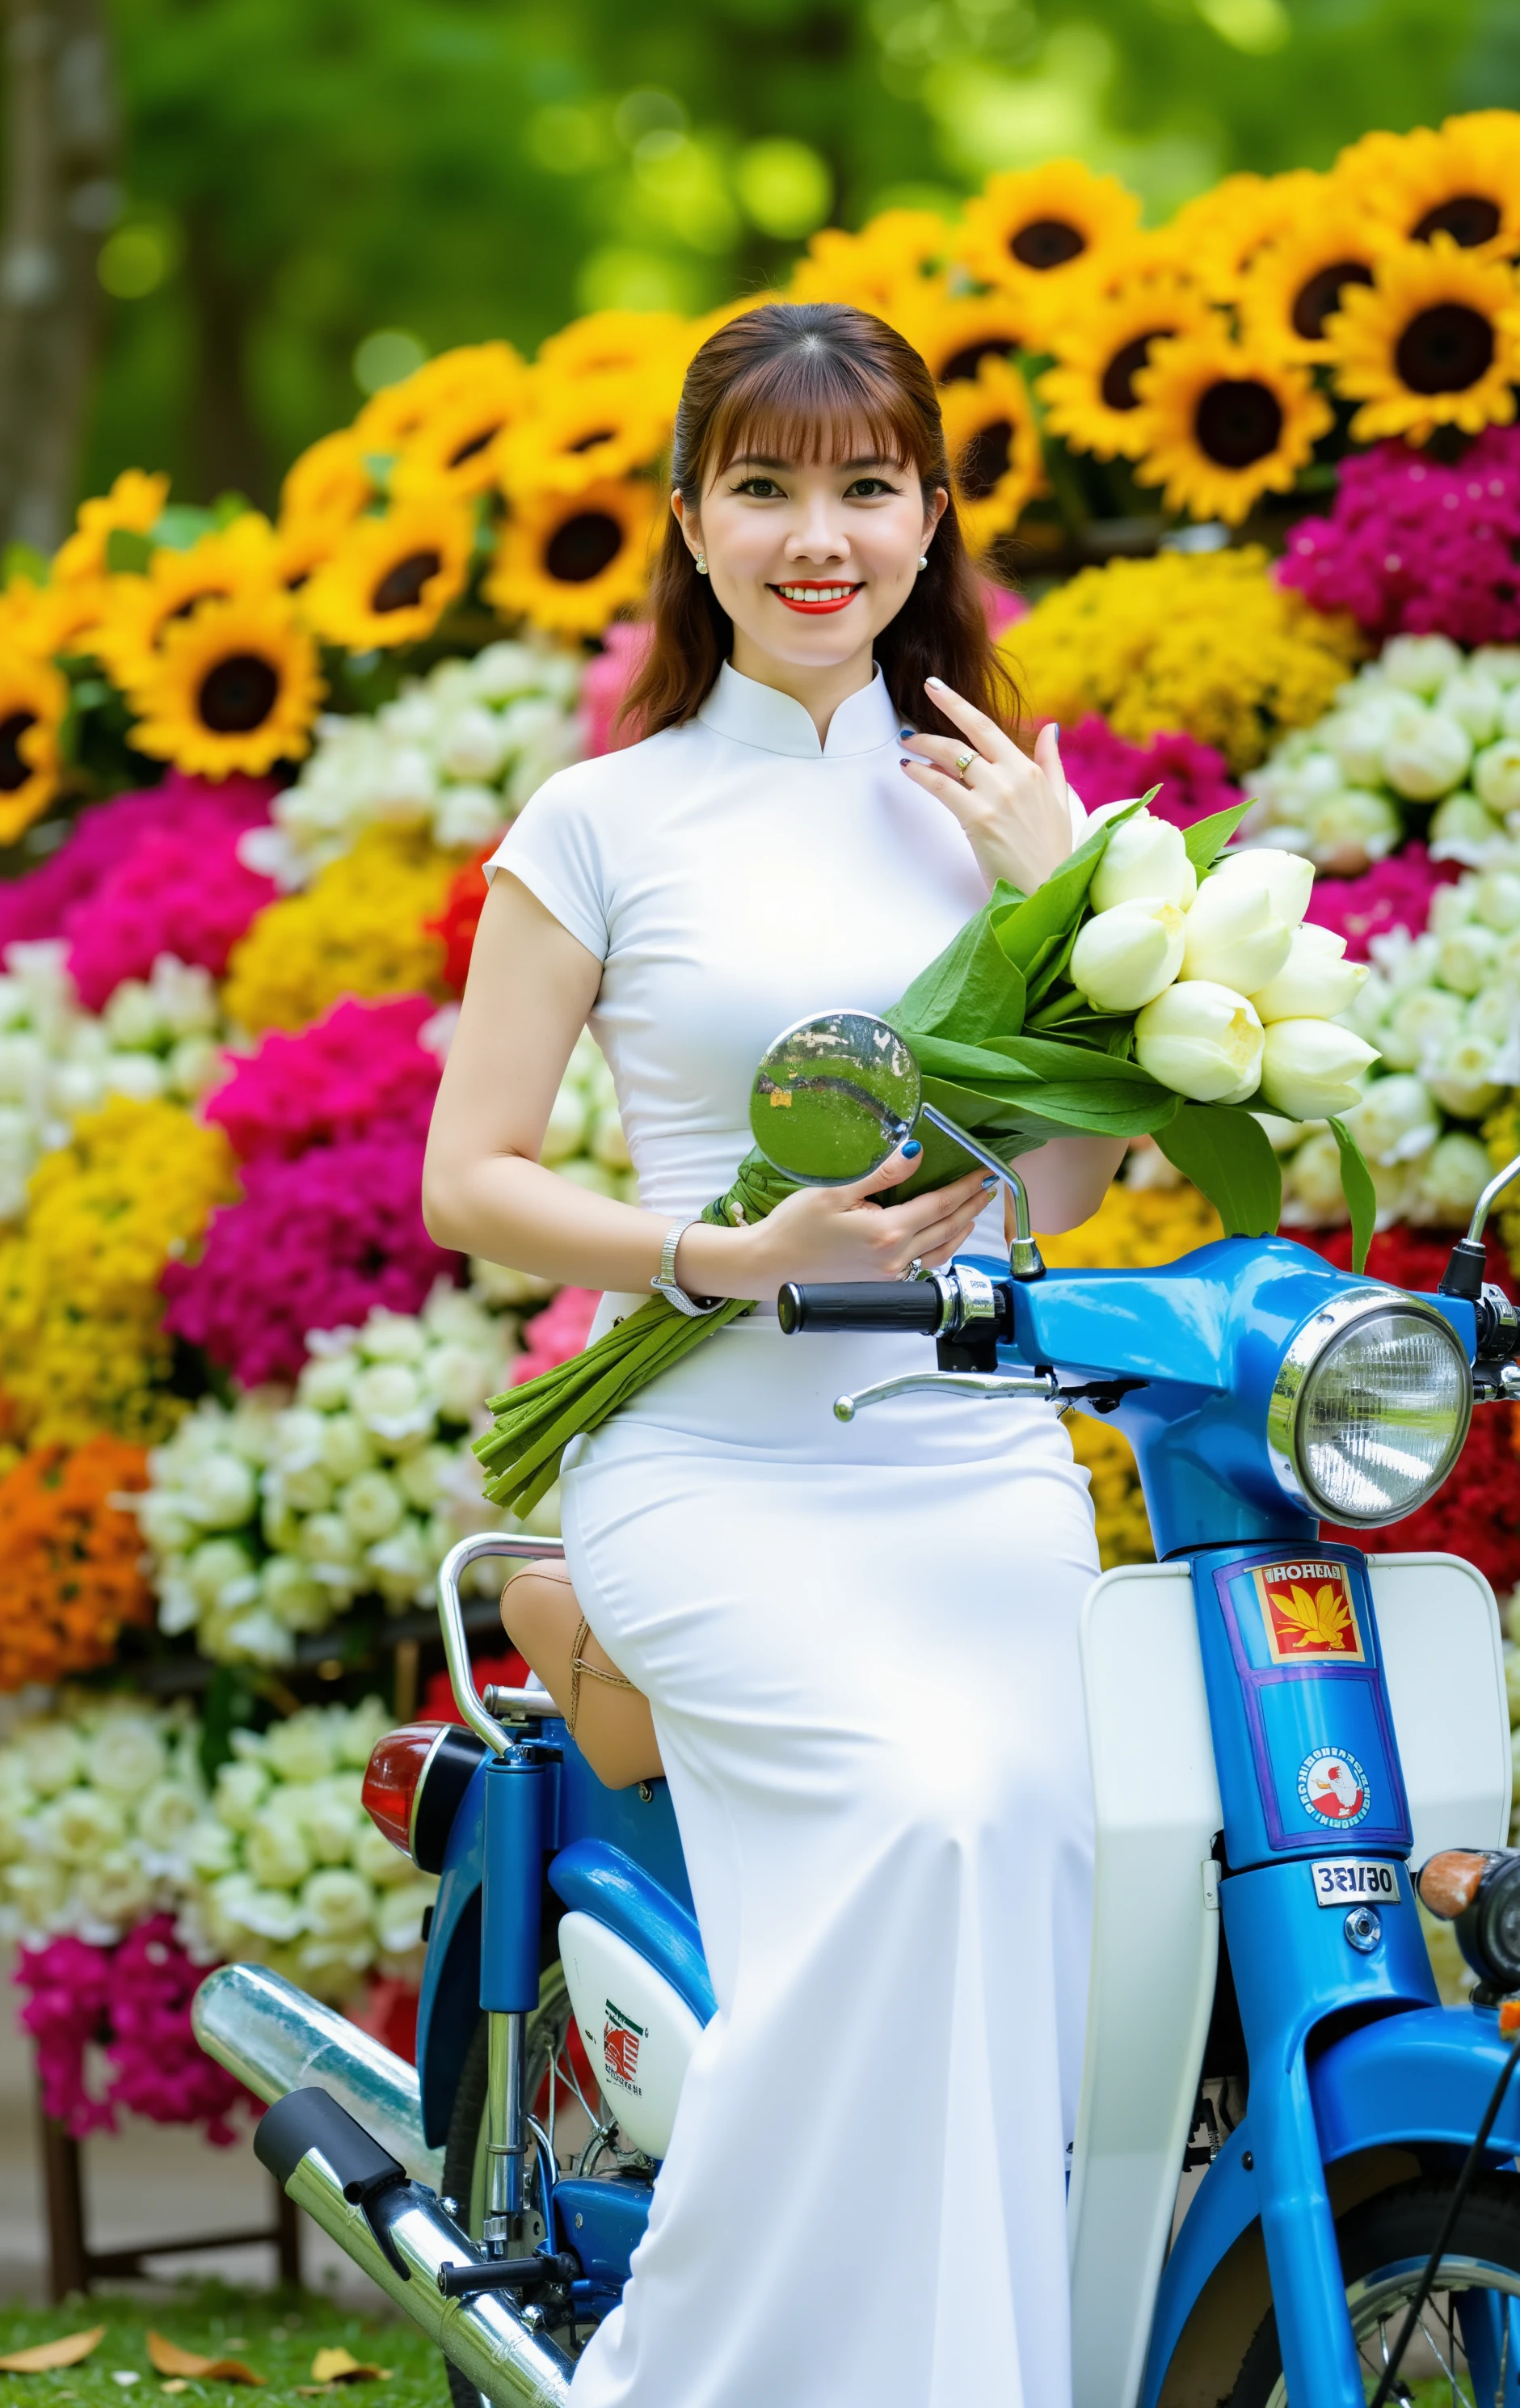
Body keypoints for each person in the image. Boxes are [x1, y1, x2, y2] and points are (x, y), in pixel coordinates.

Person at [423, 299, 1124, 2408]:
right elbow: (475, 1176)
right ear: (691, 521)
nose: (818, 538)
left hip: (971, 1461)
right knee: (912, 1830)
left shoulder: (1009, 800)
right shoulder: (606, 819)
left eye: (864, 488)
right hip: (713, 1468)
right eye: (766, 488)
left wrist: (1070, 883)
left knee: (1005, 1875)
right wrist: (726, 1251)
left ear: (928, 520)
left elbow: (1069, 1197)